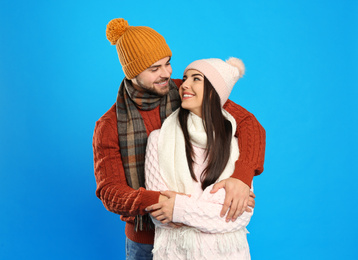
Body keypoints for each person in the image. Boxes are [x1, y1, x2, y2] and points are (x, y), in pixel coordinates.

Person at [92, 18, 266, 259]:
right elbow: (110, 191)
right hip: (145, 241)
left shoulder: (186, 92)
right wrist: (159, 202)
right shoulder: (109, 125)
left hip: (203, 237)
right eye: (154, 69)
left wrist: (242, 176)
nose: (167, 74)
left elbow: (249, 124)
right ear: (133, 73)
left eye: (168, 63)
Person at [145, 57, 253, 259]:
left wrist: (178, 208)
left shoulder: (236, 144)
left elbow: (240, 216)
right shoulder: (159, 140)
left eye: (196, 79)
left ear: (215, 92)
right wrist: (212, 211)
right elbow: (159, 212)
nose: (184, 84)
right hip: (176, 254)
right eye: (185, 78)